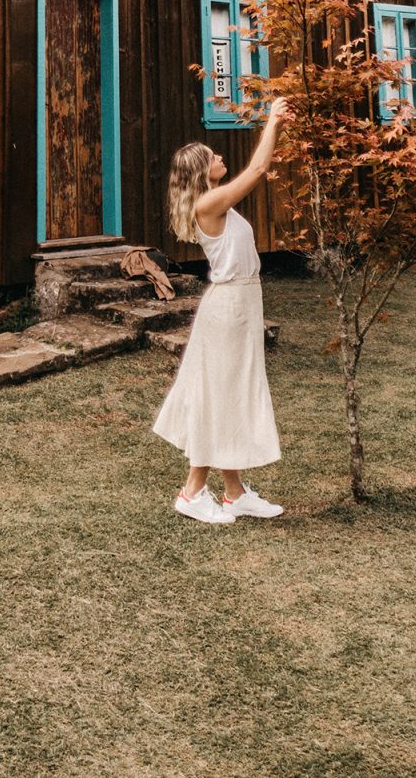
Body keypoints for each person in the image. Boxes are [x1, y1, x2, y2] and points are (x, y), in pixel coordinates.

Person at [151, 96, 290, 524]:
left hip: (241, 303)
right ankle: (192, 492)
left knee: (229, 395)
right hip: (229, 306)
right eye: (213, 156)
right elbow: (258, 171)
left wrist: (278, 127)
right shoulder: (209, 205)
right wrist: (272, 121)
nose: (221, 156)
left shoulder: (216, 201)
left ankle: (233, 492)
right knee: (221, 395)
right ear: (200, 171)